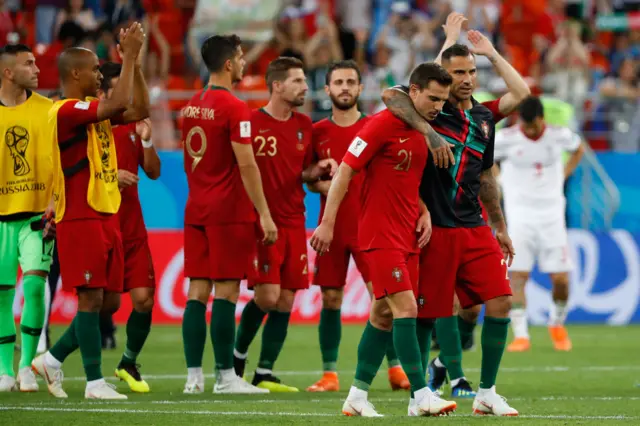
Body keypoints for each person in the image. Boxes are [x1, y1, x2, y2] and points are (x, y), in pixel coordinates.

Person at [381, 28, 530, 416]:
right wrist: (429, 133)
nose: (466, 79)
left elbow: (485, 175)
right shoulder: (431, 109)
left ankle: (486, 393)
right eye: (458, 72)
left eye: (471, 72)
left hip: (474, 225)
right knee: (427, 316)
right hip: (436, 229)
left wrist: (500, 226)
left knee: (500, 302)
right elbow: (390, 95)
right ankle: (419, 395)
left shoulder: (483, 117)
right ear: (445, 79)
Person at [312, 62, 457, 417]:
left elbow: (403, 180)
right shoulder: (379, 125)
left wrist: (422, 210)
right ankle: (420, 395)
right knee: (406, 309)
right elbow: (346, 169)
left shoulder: (423, 128)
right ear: (416, 92)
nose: (439, 106)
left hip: (408, 234)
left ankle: (357, 397)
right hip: (379, 235)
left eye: (443, 100)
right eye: (434, 98)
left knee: (382, 315)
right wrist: (327, 223)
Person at [32, 21, 149, 400]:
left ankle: (52, 360)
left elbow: (139, 108)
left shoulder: (93, 111)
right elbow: (118, 104)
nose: (102, 73)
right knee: (90, 299)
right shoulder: (66, 111)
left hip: (105, 212)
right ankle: (95, 382)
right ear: (76, 73)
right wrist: (127, 56)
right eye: (97, 69)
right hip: (80, 215)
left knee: (109, 301)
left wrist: (138, 62)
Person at [233, 57, 338, 393]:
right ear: (276, 85)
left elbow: (303, 175)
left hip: (295, 222)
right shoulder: (250, 122)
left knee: (286, 300)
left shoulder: (305, 125)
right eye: (297, 81)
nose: (304, 86)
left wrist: (318, 169)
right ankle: (236, 360)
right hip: (261, 221)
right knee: (267, 296)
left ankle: (264, 372)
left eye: (304, 80)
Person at [180, 34, 277, 395]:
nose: (243, 63)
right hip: (227, 211)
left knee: (196, 291)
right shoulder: (236, 108)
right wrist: (264, 214)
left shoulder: (191, 105)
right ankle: (225, 376)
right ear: (228, 64)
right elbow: (247, 164)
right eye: (239, 57)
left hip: (196, 208)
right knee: (226, 293)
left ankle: (193, 377)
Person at [306, 59, 410, 393]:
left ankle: (396, 369)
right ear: (328, 89)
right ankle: (329, 373)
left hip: (370, 226)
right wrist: (318, 179)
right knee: (331, 298)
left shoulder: (375, 126)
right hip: (332, 227)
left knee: (384, 299)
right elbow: (307, 176)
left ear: (361, 88)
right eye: (339, 82)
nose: (345, 88)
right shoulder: (317, 132)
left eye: (351, 82)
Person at [495, 96, 584, 353]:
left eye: (534, 125)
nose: (531, 130)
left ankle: (556, 322)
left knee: (561, 280)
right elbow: (485, 160)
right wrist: (500, 183)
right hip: (520, 215)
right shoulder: (507, 138)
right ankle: (521, 335)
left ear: (542, 119)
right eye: (526, 125)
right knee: (518, 276)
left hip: (552, 216)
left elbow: (578, 149)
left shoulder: (559, 135)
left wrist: (564, 175)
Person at [98, 61, 160, 391]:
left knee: (144, 299)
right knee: (104, 305)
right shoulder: (91, 128)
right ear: (105, 94)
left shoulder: (133, 128)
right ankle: (54, 358)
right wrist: (111, 177)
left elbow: (154, 172)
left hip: (133, 227)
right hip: (102, 227)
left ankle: (127, 362)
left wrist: (148, 142)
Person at [0, 44, 55, 393]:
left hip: (37, 216)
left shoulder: (47, 110)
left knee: (35, 287)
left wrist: (53, 203)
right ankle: (4, 370)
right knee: (3, 295)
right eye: (28, 63)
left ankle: (26, 368)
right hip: (1, 218)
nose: (37, 68)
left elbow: (59, 164)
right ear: (8, 73)